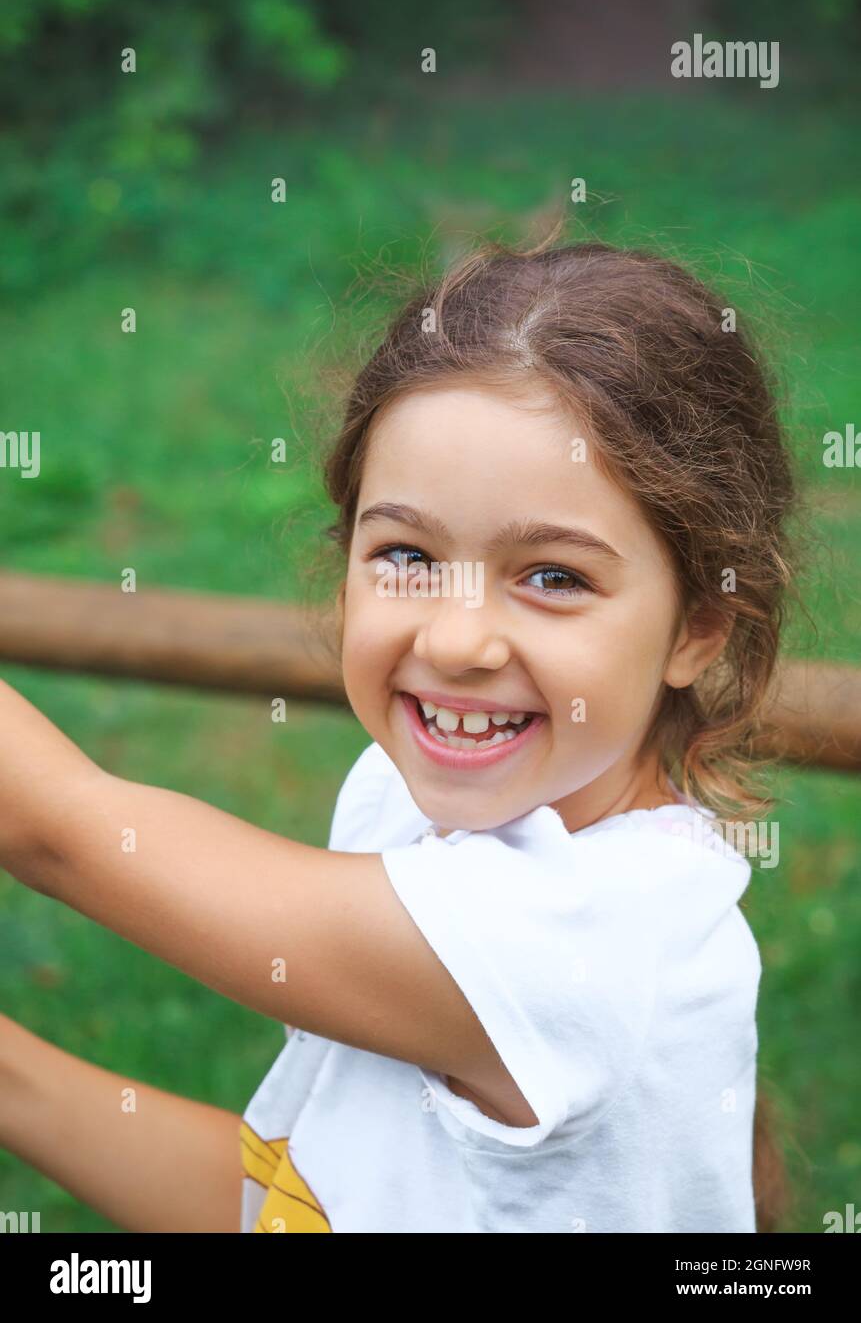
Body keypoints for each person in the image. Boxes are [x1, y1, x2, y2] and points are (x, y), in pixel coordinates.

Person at [0, 237, 793, 1232]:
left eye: (554, 575)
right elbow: (298, 1205)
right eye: (407, 552)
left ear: (699, 627)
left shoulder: (600, 938)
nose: (456, 640)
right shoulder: (401, 795)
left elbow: (55, 830)